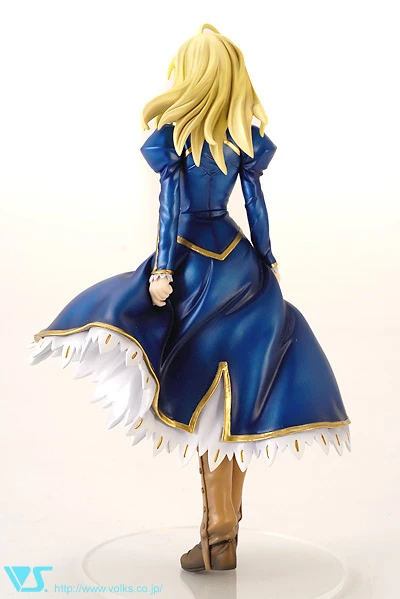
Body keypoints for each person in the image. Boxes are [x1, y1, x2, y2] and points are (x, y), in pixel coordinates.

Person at [28, 23, 351, 573]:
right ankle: (222, 536)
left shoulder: (176, 137)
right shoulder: (240, 139)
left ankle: (217, 535)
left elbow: (168, 210)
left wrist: (161, 269)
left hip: (193, 263)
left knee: (209, 401)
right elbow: (256, 209)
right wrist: (267, 259)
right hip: (239, 264)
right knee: (235, 406)